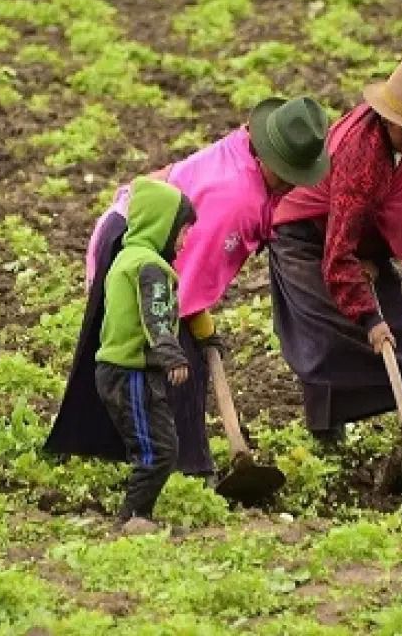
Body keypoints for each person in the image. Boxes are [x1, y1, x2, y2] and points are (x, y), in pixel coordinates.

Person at [46, 96, 330, 478]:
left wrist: (195, 317)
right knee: (173, 359)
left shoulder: (245, 152)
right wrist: (191, 318)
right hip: (132, 243)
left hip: (149, 238)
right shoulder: (237, 199)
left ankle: (148, 454)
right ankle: (186, 469)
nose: (291, 184)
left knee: (152, 352)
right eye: (287, 172)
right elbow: (180, 284)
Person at [268, 58, 402, 442]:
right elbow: (338, 253)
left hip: (356, 236)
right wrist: (370, 320)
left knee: (401, 327)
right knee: (324, 341)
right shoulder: (362, 158)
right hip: (304, 236)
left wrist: (373, 255)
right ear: (388, 119)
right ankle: (330, 449)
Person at [93, 177, 196, 530]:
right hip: (131, 372)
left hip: (120, 370)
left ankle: (138, 516)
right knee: (157, 450)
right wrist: (172, 355)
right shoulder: (150, 266)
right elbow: (156, 315)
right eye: (183, 231)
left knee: (154, 446)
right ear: (161, 225)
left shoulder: (126, 258)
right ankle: (133, 518)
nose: (185, 241)